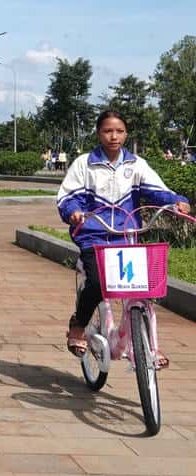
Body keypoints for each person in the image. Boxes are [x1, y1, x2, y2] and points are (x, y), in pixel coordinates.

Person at [59, 110, 190, 366]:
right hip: (93, 237)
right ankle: (79, 323)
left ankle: (151, 347)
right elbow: (67, 197)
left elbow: (157, 191)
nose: (113, 136)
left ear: (126, 134)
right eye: (108, 131)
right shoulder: (84, 164)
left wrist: (177, 201)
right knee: (97, 283)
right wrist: (72, 211)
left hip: (127, 237)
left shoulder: (136, 164)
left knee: (143, 291)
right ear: (98, 133)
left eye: (119, 131)